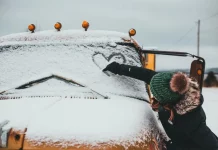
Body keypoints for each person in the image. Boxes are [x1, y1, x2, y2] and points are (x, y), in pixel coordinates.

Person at [103, 62, 218, 150]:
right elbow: (147, 75)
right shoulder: (169, 84)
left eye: (155, 95)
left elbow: (212, 145)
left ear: (166, 101)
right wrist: (119, 68)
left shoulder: (190, 120)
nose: (153, 95)